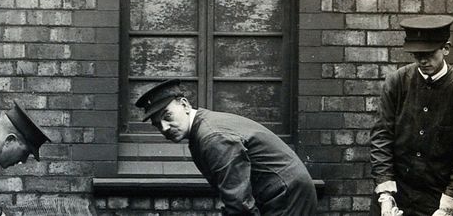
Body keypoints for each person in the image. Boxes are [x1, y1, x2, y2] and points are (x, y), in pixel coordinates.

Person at [135, 79, 317, 215]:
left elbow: (238, 203)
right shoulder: (203, 129)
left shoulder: (212, 136)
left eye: (167, 116)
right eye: (157, 124)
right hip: (278, 192)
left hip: (284, 194)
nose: (164, 128)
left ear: (184, 104)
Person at [370, 15, 453, 216]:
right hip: (396, 195)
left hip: (438, 199)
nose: (423, 60)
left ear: (445, 48)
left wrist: (447, 207)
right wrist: (386, 195)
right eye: (416, 54)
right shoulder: (396, 83)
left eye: (429, 53)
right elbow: (381, 137)